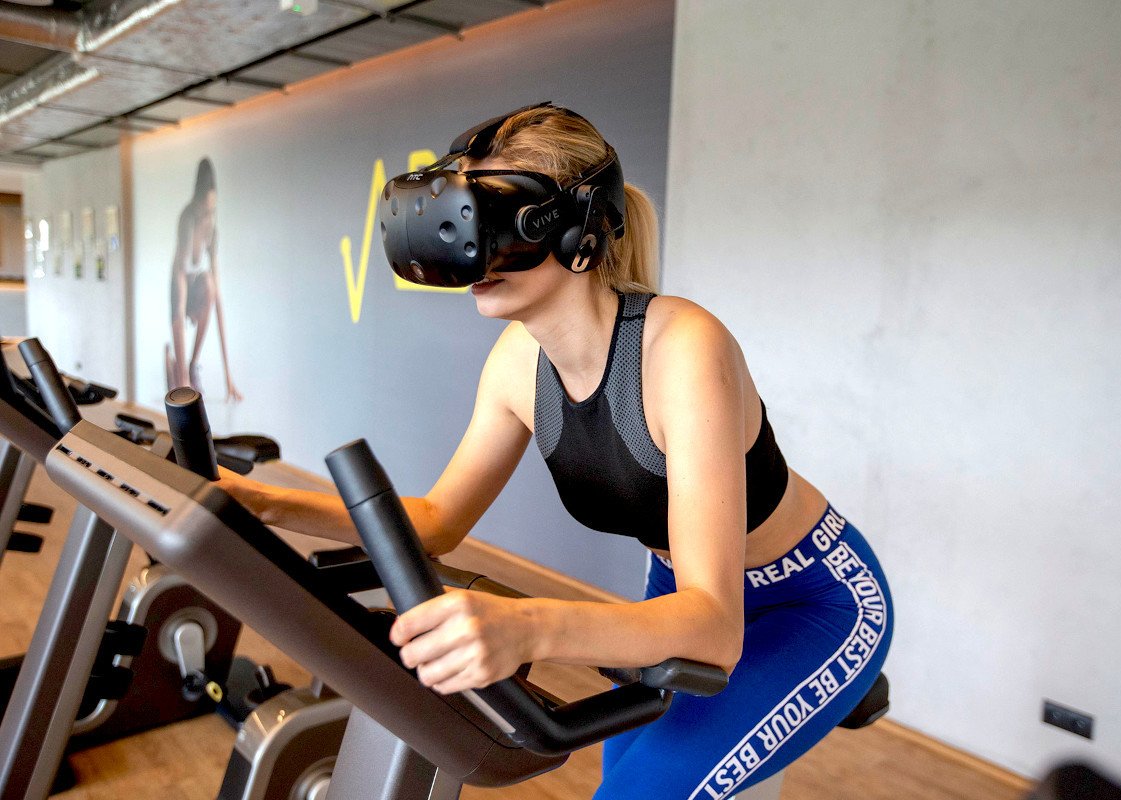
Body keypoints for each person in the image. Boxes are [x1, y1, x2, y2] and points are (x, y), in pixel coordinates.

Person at [219, 104, 893, 799]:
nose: (474, 256)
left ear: (577, 232)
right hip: (677, 593)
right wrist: (258, 502)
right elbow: (437, 521)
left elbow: (715, 628)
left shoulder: (682, 348)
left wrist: (530, 626)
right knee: (628, 782)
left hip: (810, 600)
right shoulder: (517, 364)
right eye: (463, 226)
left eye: (494, 225)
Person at [166, 157, 242, 402]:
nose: (207, 216)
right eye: (204, 211)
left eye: (211, 211)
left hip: (197, 288)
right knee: (182, 379)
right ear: (197, 204)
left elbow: (217, 300)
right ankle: (179, 370)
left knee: (209, 282)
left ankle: (191, 364)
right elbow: (179, 306)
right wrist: (183, 382)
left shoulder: (212, 230)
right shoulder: (187, 220)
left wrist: (228, 377)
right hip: (180, 286)